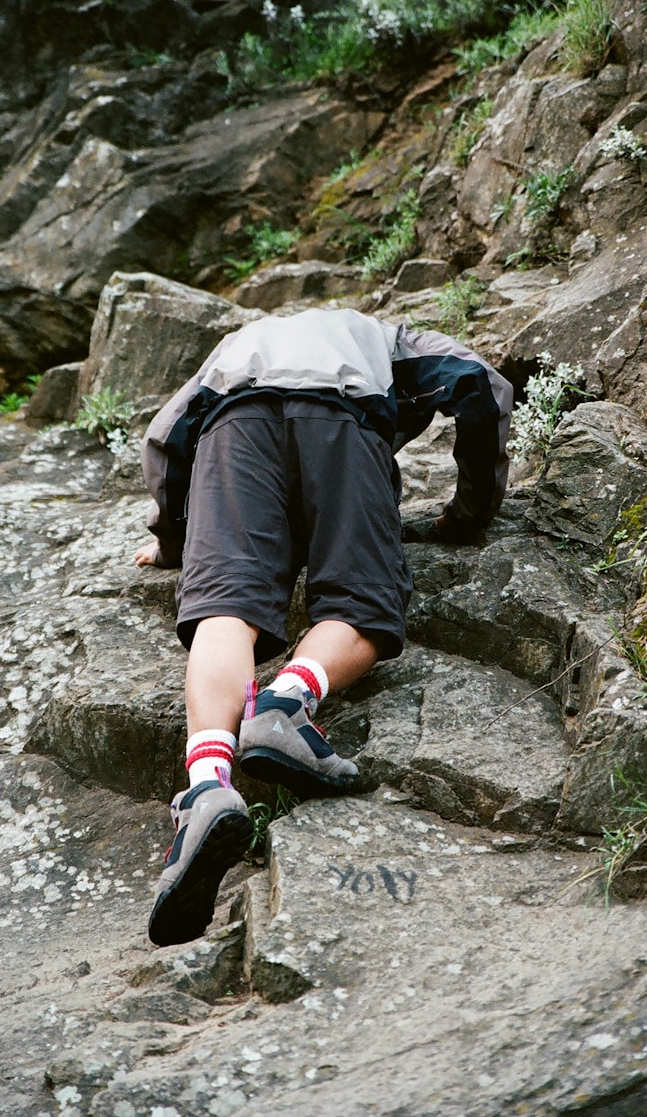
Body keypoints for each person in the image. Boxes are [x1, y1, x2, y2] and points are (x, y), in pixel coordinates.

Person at [135, 305, 513, 947]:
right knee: (360, 605)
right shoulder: (391, 339)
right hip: (344, 419)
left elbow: (168, 435)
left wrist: (175, 538)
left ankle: (205, 789)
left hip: (234, 425)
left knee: (224, 610)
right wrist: (471, 511)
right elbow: (479, 383)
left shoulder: (238, 342)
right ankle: (285, 705)